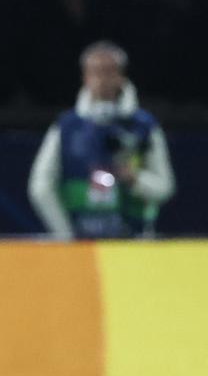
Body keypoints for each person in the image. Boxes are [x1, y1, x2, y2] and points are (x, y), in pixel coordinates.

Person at [27, 41, 174, 238]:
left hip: (134, 241)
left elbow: (165, 187)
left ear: (121, 76)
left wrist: (136, 180)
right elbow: (40, 186)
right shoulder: (66, 127)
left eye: (108, 72)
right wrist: (64, 234)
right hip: (81, 240)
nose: (101, 80)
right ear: (84, 77)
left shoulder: (144, 127)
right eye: (95, 72)